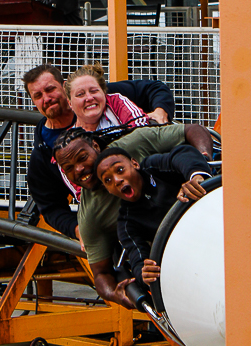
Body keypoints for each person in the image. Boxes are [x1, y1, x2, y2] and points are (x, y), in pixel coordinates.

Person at [52, 124, 213, 307]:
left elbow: (185, 143)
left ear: (134, 163)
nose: (79, 169)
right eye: (69, 168)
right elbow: (104, 272)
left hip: (206, 217)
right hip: (180, 255)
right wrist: (121, 290)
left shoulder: (150, 164)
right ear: (107, 189)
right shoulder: (119, 220)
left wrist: (200, 172)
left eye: (82, 158)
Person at [22, 64, 174, 240]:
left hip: (154, 180)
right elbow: (50, 206)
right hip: (114, 207)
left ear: (64, 87)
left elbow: (154, 88)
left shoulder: (101, 98)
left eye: (50, 90)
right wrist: (77, 229)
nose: (46, 98)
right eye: (38, 96)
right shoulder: (44, 153)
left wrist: (160, 112)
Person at [94, 145, 212, 285]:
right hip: (195, 259)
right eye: (107, 180)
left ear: (135, 164)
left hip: (214, 222)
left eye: (120, 170)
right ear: (107, 190)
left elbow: (183, 153)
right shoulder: (126, 222)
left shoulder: (154, 167)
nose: (117, 180)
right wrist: (144, 273)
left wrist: (196, 177)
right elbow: (138, 261)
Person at [64, 64, 150, 132]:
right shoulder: (68, 140)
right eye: (80, 94)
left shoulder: (115, 103)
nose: (89, 98)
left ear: (104, 92)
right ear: (70, 103)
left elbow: (142, 130)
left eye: (94, 91)